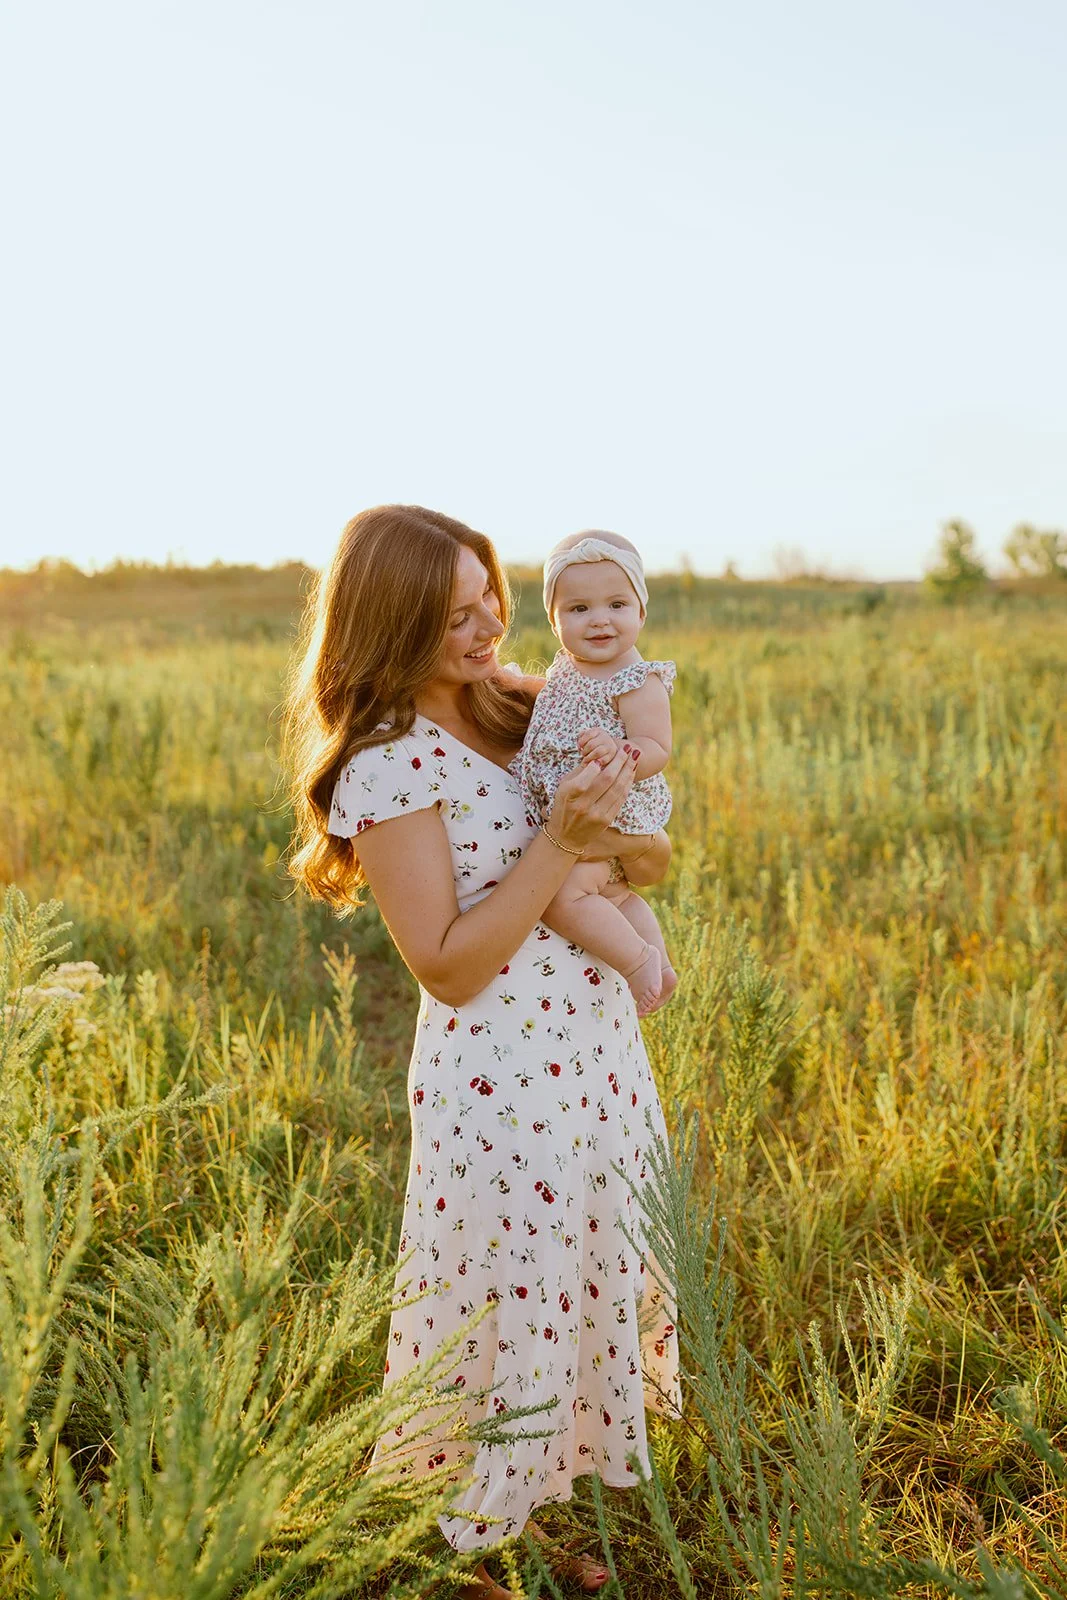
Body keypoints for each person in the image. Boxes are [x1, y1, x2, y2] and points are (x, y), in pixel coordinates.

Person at [285, 505, 681, 1600]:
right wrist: (562, 841)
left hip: (591, 1035)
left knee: (582, 1249)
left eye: (490, 598)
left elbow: (643, 856)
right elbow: (448, 966)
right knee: (512, 1274)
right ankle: (490, 1517)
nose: (488, 624)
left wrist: (622, 837)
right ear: (393, 619)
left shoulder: (525, 702)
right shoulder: (387, 766)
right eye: (456, 612)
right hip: (502, 1069)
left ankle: (568, 1477)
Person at [510, 531, 677, 1018]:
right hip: (575, 816)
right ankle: (660, 965)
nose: (600, 619)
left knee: (563, 898)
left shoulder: (637, 679)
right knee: (616, 895)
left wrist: (619, 751)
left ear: (641, 613)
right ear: (554, 620)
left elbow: (657, 748)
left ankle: (637, 959)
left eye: (617, 604)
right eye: (579, 609)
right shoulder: (565, 671)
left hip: (609, 811)